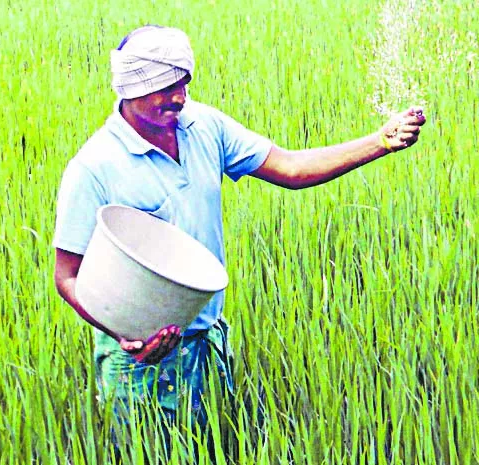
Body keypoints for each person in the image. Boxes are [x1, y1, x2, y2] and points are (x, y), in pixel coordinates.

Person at [52, 24, 425, 460]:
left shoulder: (202, 125)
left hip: (208, 343)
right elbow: (68, 275)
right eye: (165, 88)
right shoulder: (94, 167)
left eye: (184, 83)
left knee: (219, 450)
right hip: (138, 363)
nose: (179, 97)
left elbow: (290, 168)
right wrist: (125, 333)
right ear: (132, 87)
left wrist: (378, 142)